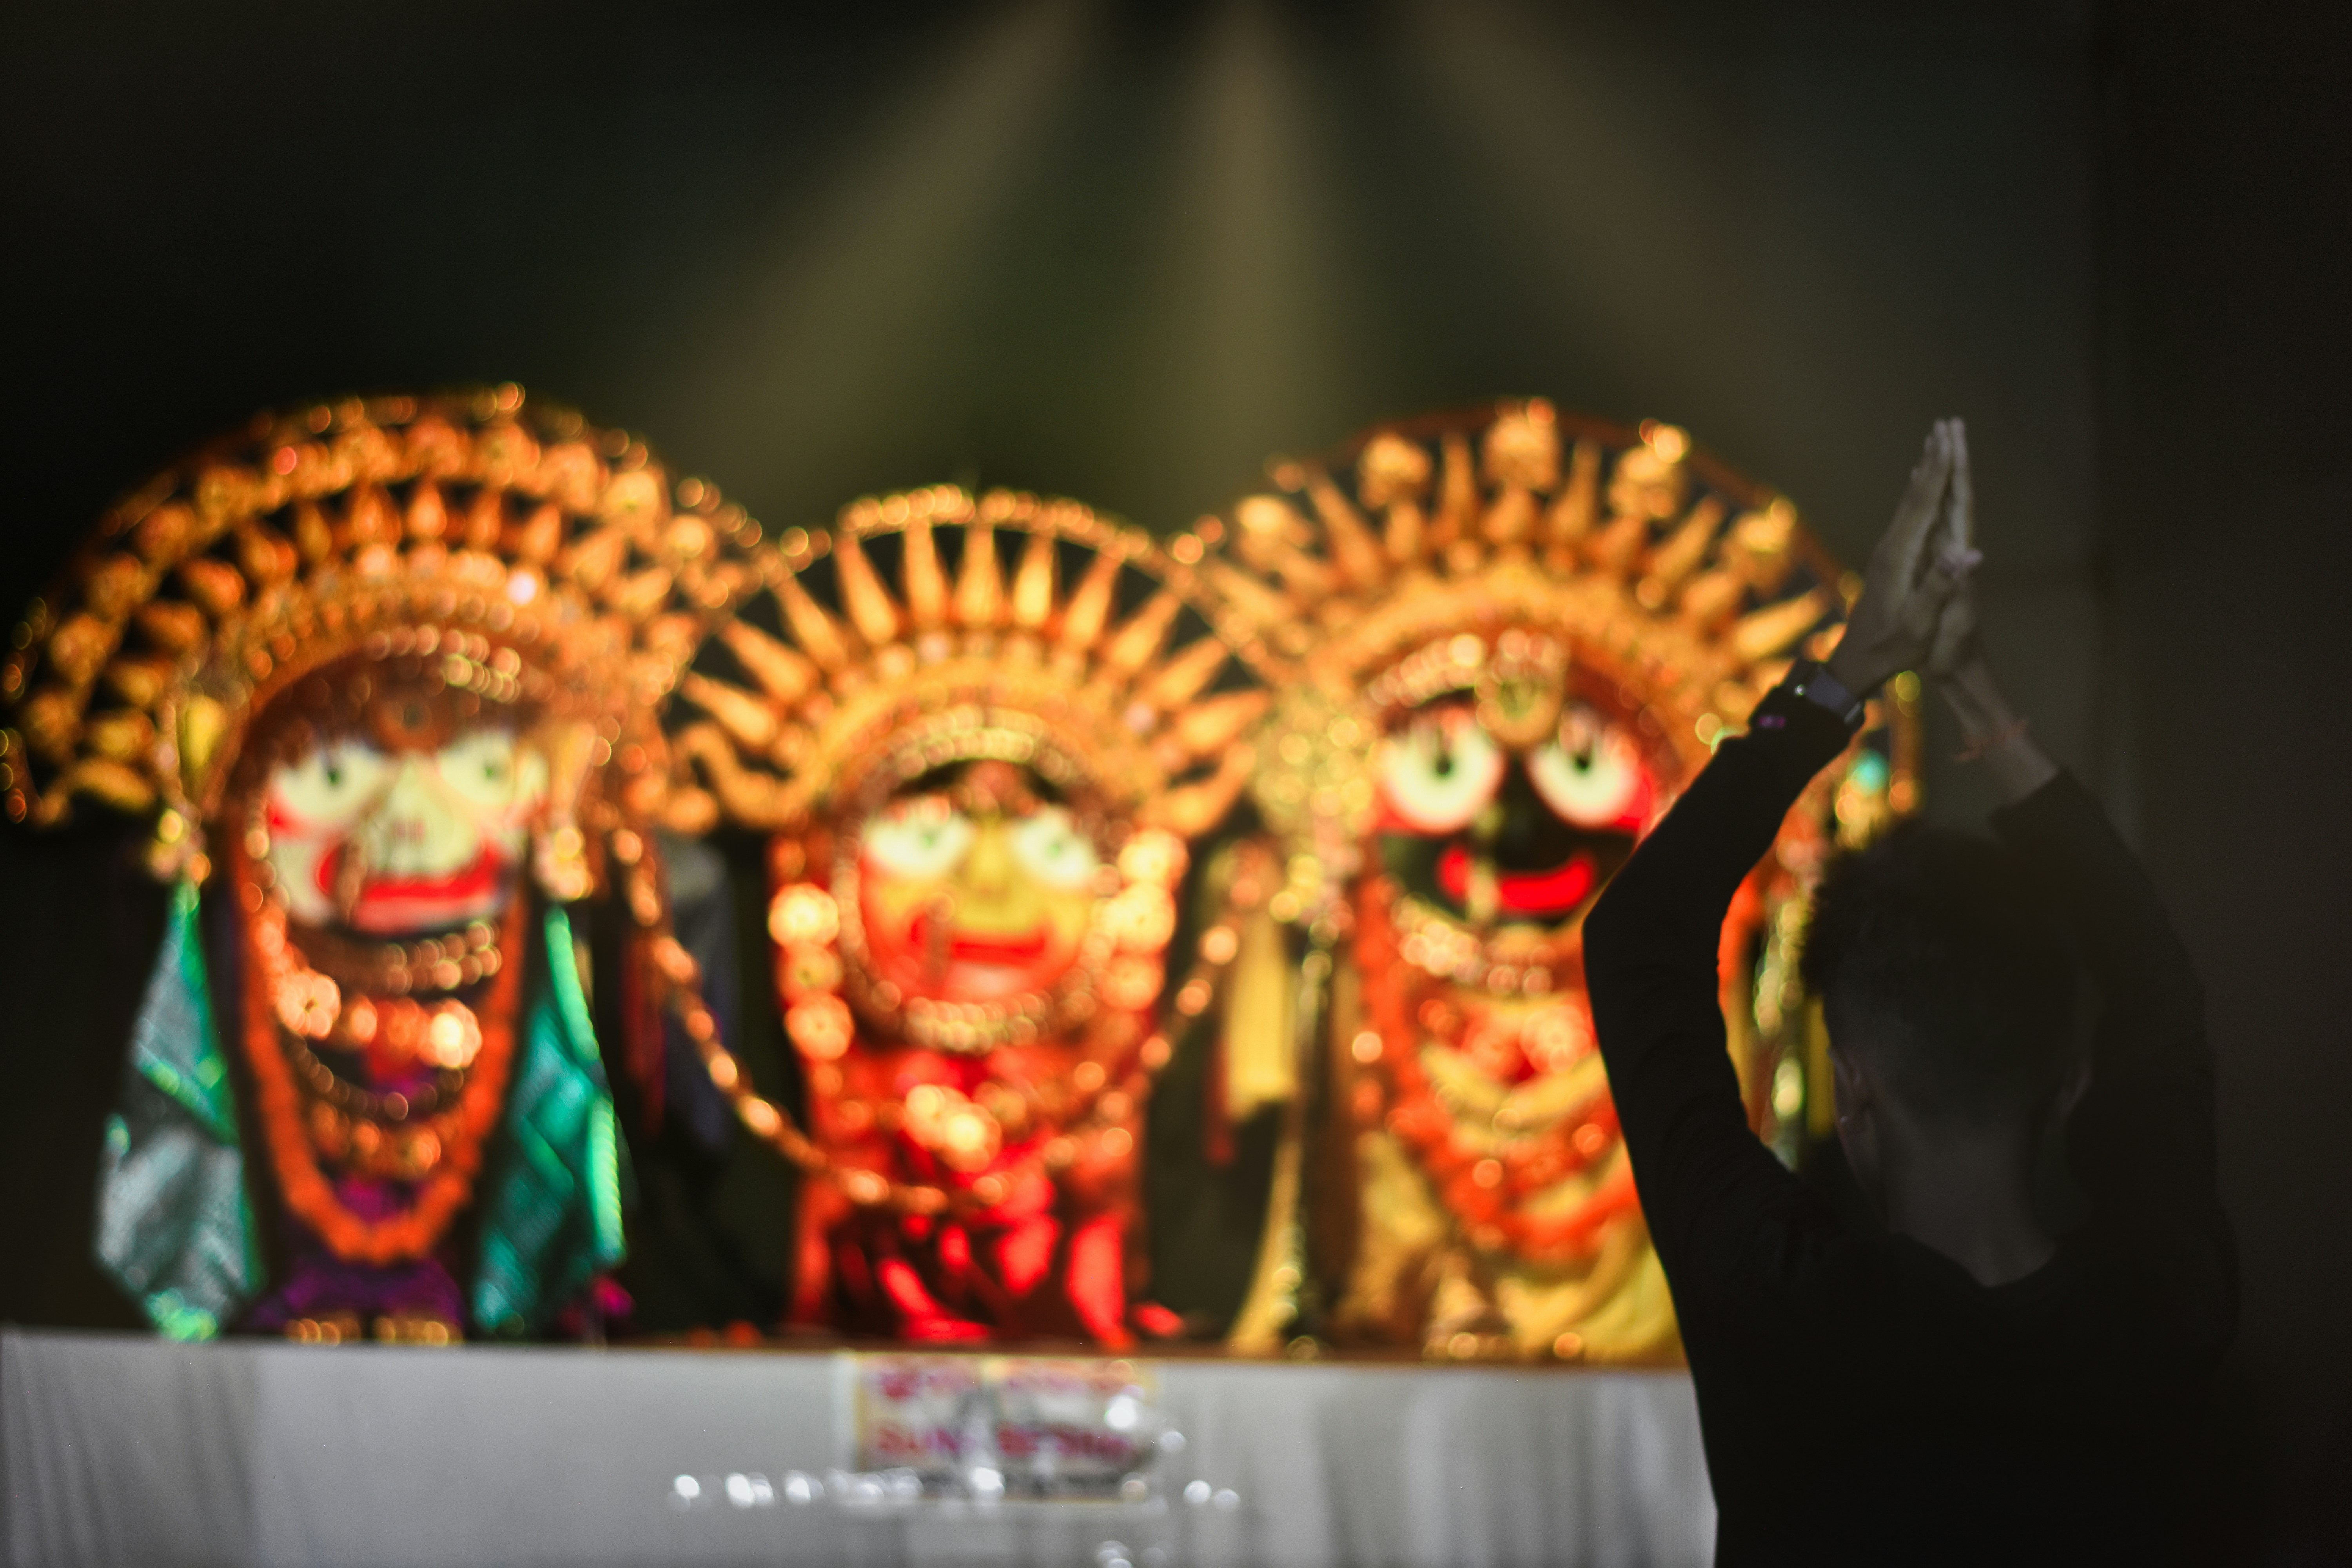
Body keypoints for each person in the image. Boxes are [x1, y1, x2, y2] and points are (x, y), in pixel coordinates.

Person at [1583, 419, 2235, 1562]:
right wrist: (1979, 695)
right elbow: (2157, 981)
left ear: (1854, 1089)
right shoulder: (2159, 1309)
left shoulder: (1783, 1306)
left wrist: (1850, 672)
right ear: (2069, 1081)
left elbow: (1638, 936)